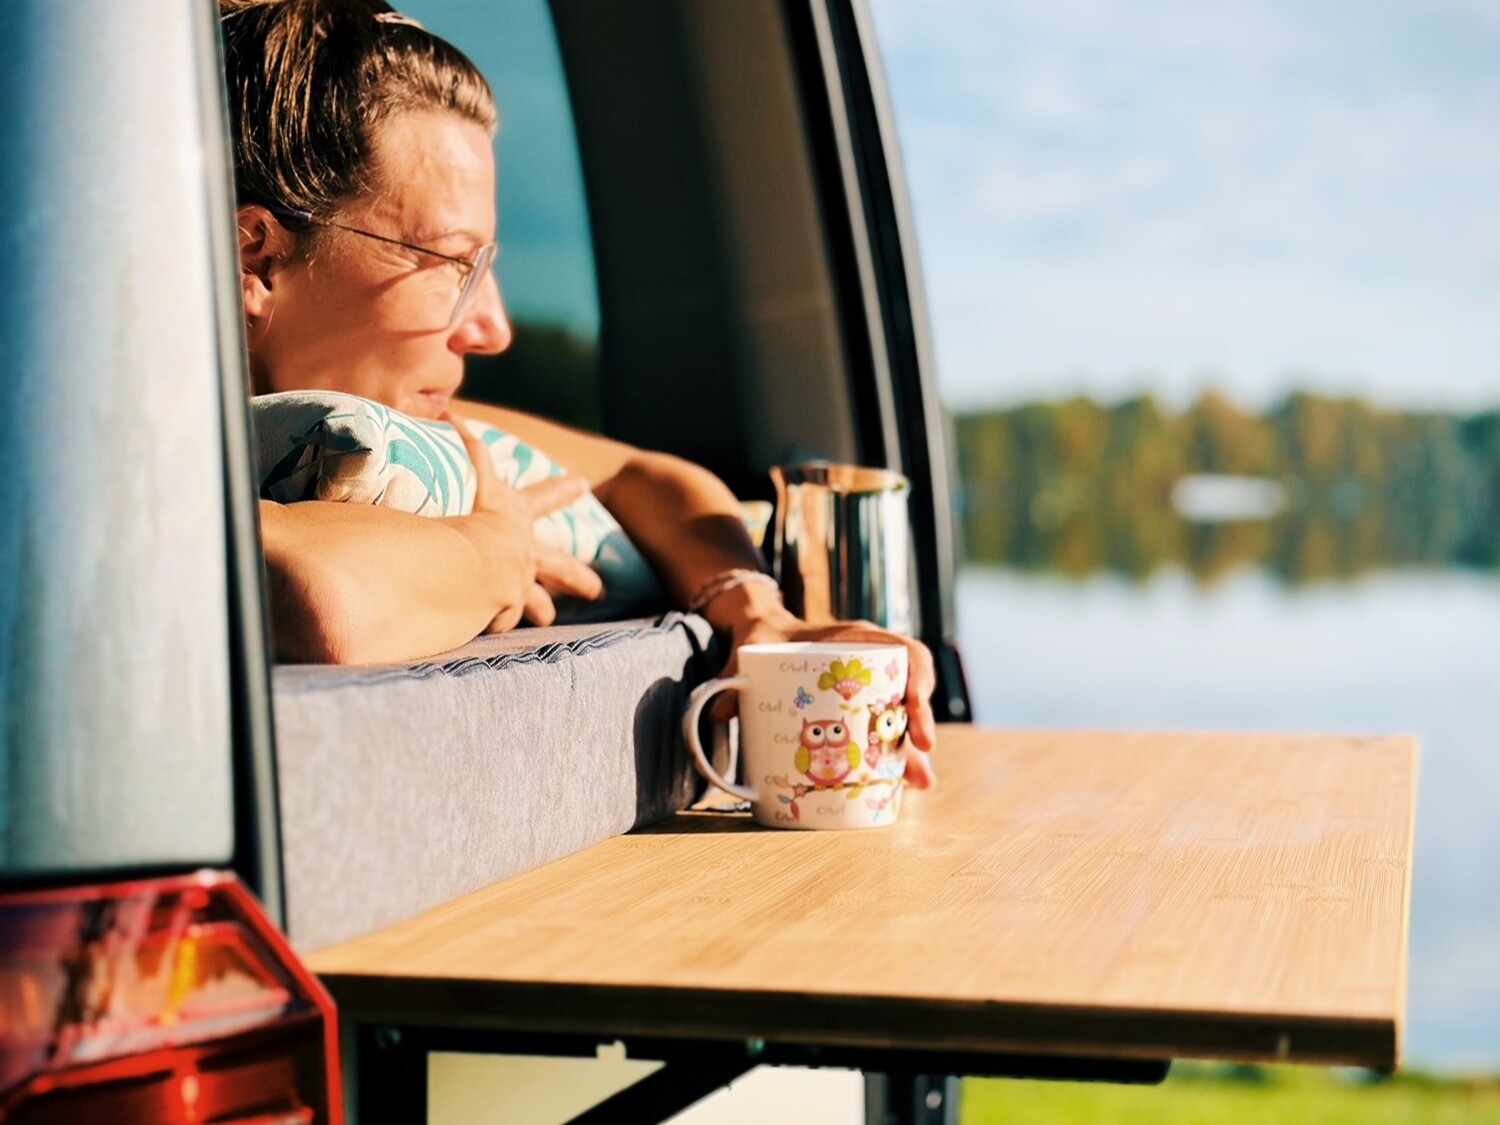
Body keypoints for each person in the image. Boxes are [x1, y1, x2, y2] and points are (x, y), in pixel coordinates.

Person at [222, 0, 937, 785]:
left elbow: (647, 477)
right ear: (255, 258)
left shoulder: (420, 430)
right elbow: (317, 599)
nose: (492, 328)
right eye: (452, 264)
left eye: (486, 267)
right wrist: (496, 547)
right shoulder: (126, 458)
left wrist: (754, 608)